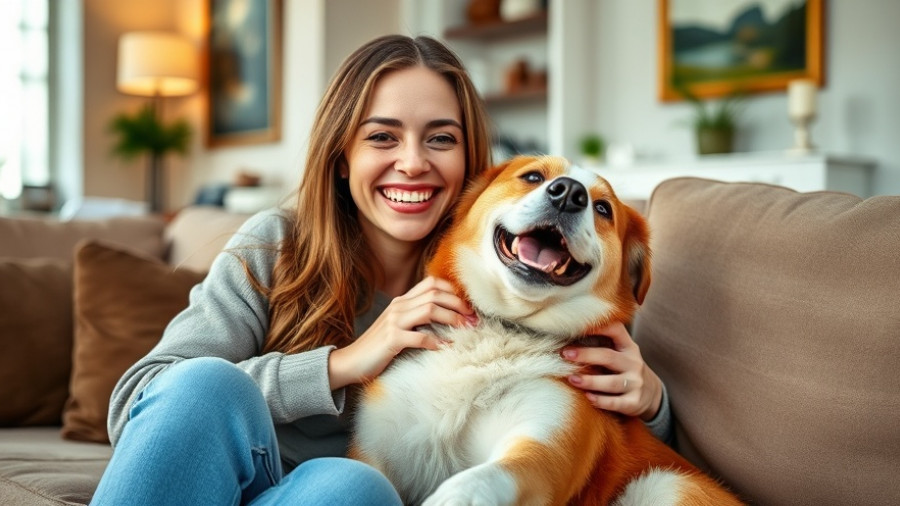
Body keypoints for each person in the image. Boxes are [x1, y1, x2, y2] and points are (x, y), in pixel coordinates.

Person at [91, 34, 672, 506]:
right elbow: (140, 401)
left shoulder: (509, 275)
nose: (413, 163)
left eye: (440, 138)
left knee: (353, 487)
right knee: (204, 381)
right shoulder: (276, 244)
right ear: (343, 157)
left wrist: (652, 402)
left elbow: (591, 457)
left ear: (474, 165)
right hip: (223, 481)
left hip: (327, 498)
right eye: (382, 137)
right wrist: (343, 365)